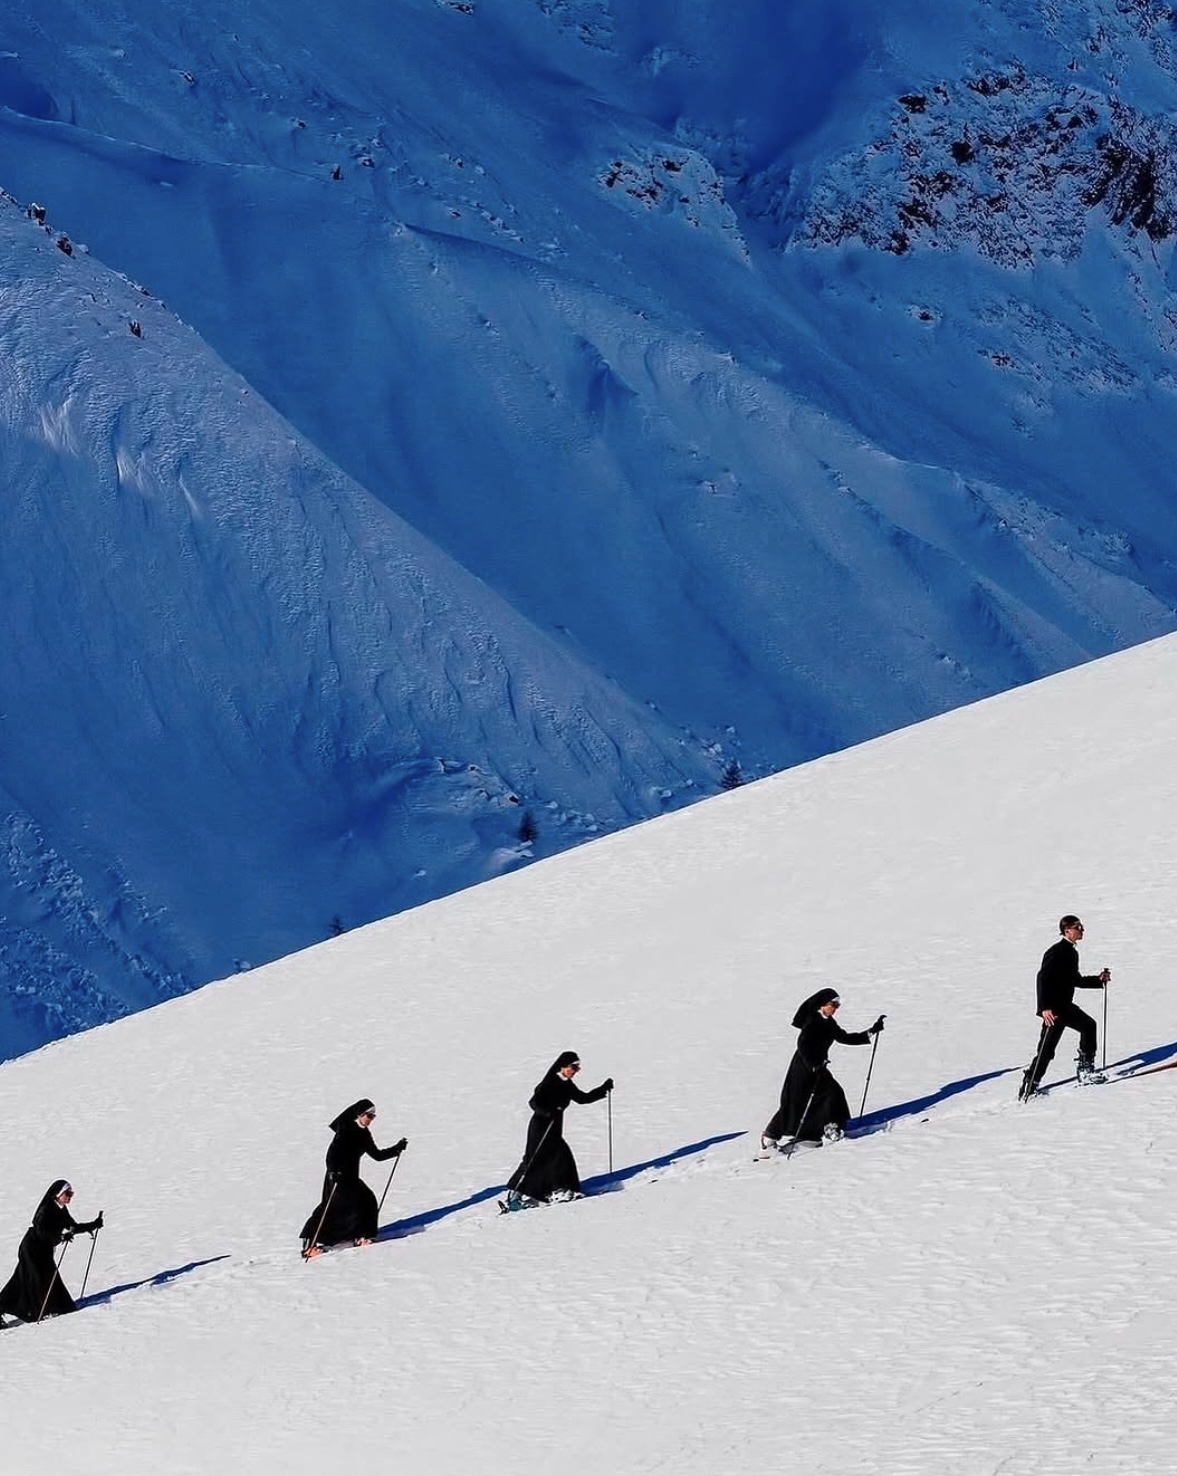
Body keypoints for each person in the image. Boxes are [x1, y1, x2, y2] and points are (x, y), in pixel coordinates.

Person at [762, 989, 884, 1150]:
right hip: (804, 1067)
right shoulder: (812, 1020)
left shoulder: (829, 1022)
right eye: (833, 1004)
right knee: (795, 1101)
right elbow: (803, 1044)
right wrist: (813, 1064)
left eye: (838, 1005)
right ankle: (769, 1136)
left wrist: (871, 1031)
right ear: (823, 1004)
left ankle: (823, 1129)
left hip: (818, 1066)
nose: (836, 1008)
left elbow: (845, 1038)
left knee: (832, 1094)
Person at [503, 1051, 613, 1209]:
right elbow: (534, 1102)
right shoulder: (550, 1082)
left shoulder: (567, 1084)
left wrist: (603, 1089)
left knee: (561, 1159)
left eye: (578, 1068)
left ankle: (559, 1190)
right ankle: (515, 1196)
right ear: (563, 1066)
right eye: (573, 1067)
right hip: (541, 1127)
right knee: (534, 1159)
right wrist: (549, 1111)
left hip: (554, 1128)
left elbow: (583, 1099)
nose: (576, 1071)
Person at [300, 1099, 407, 1257]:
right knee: (330, 1210)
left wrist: (396, 1149)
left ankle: (361, 1236)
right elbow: (332, 1154)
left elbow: (377, 1155)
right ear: (359, 1114)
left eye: (373, 1117)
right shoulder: (345, 1128)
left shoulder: (364, 1134)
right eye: (369, 1116)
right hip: (337, 1177)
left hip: (351, 1178)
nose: (371, 1120)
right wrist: (334, 1171)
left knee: (367, 1201)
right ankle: (309, 1245)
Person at [1020, 916, 1111, 1100]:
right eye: (1078, 927)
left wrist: (1098, 980)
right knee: (1050, 1047)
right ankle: (1030, 1087)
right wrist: (1044, 1007)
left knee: (1084, 1028)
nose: (1082, 930)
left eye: (1082, 926)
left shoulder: (1070, 952)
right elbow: (1042, 978)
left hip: (1063, 1006)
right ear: (1067, 930)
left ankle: (1082, 1071)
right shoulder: (1057, 951)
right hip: (1054, 1008)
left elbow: (1074, 980)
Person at [0, 1181, 103, 1324]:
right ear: (58, 1194)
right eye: (68, 1193)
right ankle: (54, 1309)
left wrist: (94, 1224)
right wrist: (60, 1237)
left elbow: (72, 1227)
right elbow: (41, 1231)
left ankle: (50, 1309)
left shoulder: (62, 1209)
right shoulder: (46, 1208)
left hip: (43, 1250)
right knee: (41, 1279)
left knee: (22, 1279)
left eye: (71, 1194)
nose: (70, 1197)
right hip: (32, 1249)